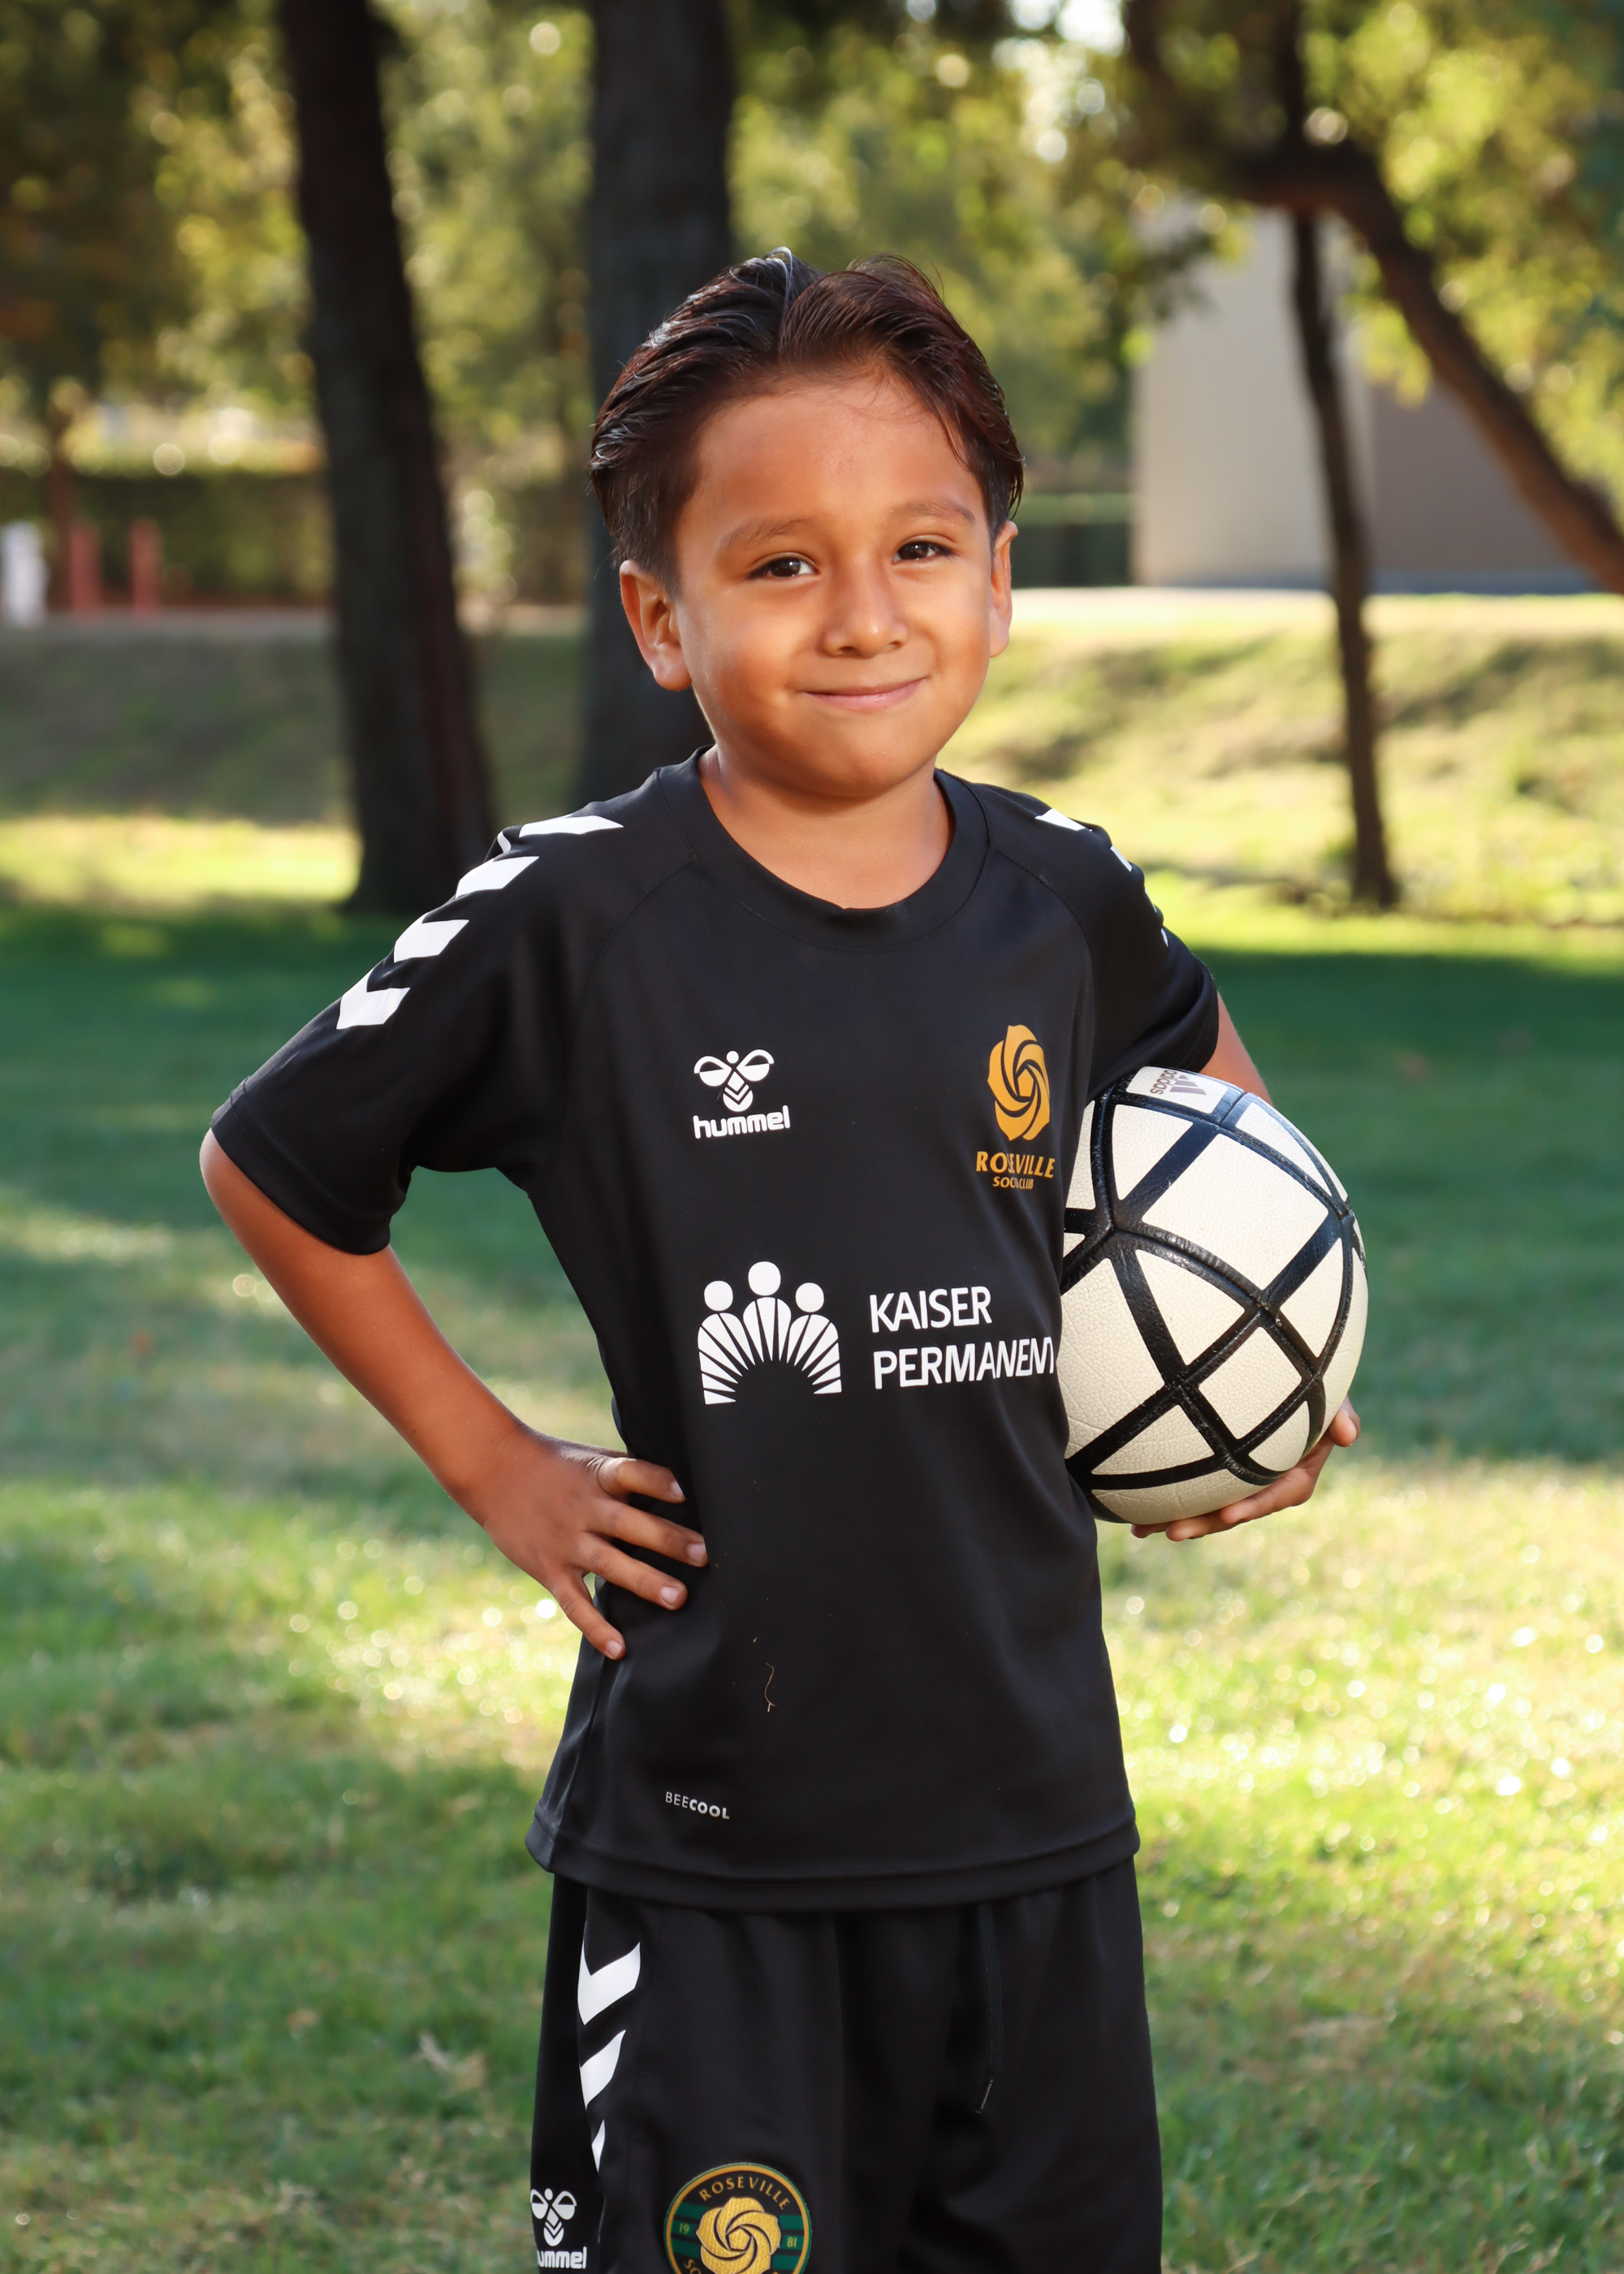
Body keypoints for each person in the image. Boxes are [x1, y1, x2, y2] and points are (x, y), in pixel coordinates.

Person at [201, 253, 1357, 2274]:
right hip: (716, 1837)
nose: (864, 613)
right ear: (662, 617)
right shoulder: (576, 918)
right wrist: (499, 1465)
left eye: (920, 545)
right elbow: (277, 1160)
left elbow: (1224, 1143)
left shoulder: (1059, 893)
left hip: (1032, 1810)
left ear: (999, 575)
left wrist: (1254, 1379)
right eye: (780, 563)